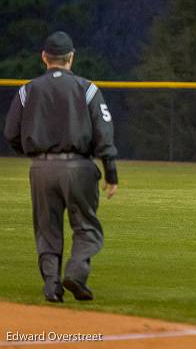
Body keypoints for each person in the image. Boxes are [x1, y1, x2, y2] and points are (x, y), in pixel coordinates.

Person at [3, 31, 119, 303]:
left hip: (40, 168)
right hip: (78, 167)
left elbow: (11, 133)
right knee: (86, 227)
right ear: (71, 58)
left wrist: (36, 156)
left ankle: (52, 285)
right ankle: (76, 274)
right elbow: (104, 132)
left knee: (47, 229)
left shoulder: (27, 89)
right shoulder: (88, 88)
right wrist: (110, 171)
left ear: (44, 57)